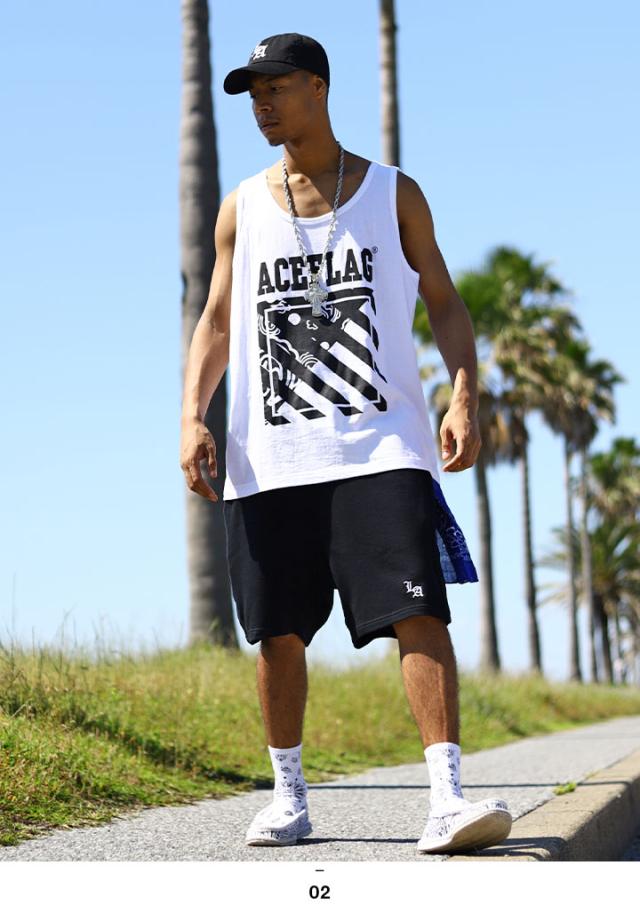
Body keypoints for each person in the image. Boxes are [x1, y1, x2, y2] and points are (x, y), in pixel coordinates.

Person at [179, 32, 512, 854]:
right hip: (271, 458)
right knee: (277, 631)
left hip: (381, 447)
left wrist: (464, 396)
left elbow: (444, 300)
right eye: (252, 92)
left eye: (276, 86)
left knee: (418, 610)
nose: (262, 102)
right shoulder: (242, 207)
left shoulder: (393, 193)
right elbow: (217, 319)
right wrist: (192, 414)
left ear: (319, 88)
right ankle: (290, 798)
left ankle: (447, 798)